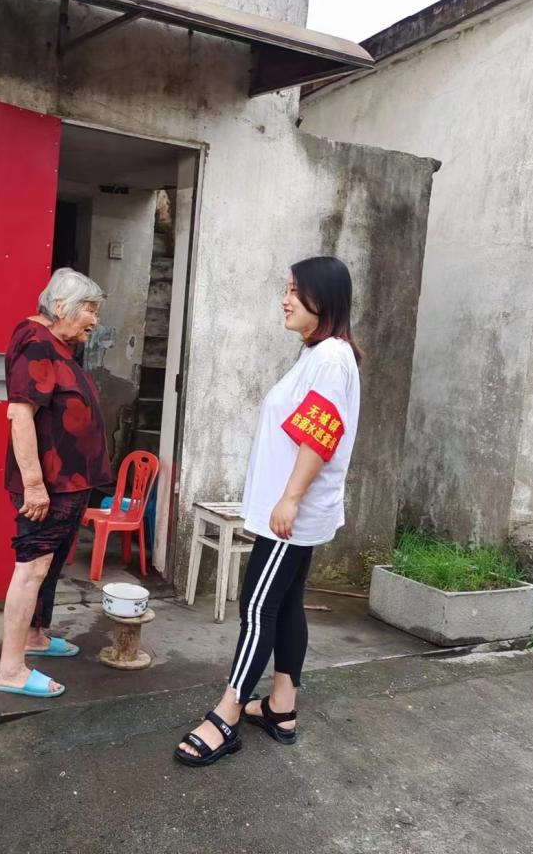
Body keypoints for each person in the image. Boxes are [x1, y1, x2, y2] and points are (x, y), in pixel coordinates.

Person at [175, 256, 362, 766]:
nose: (285, 300)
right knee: (286, 603)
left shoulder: (330, 359)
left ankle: (227, 715)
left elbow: (320, 436)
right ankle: (282, 707)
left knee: (257, 607)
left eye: (294, 291)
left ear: (322, 298)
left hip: (291, 514)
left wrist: (290, 498)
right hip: (292, 511)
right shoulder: (320, 354)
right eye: (286, 289)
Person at [0, 268, 112, 698]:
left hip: (68, 483)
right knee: (33, 567)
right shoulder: (36, 342)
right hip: (50, 485)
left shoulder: (56, 344)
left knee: (51, 564)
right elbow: (20, 414)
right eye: (90, 310)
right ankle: (10, 669)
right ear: (61, 306)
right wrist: (34, 485)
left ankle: (34, 636)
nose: (94, 320)